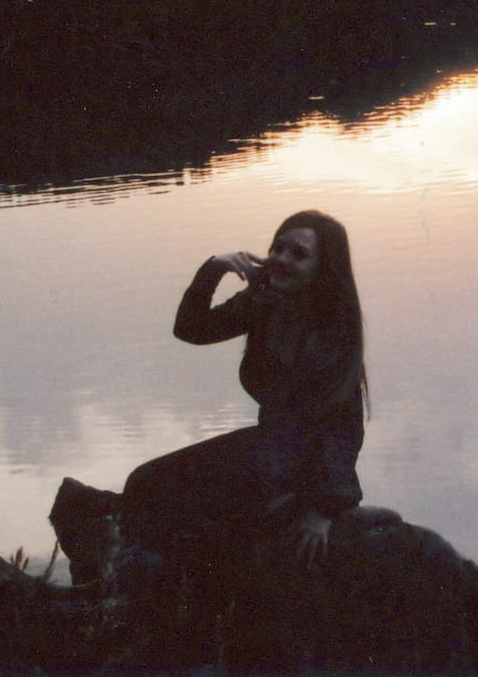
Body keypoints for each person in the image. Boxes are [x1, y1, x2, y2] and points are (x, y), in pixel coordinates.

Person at [119, 210, 368, 575]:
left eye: (298, 254)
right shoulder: (264, 303)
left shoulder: (334, 331)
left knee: (150, 485)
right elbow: (191, 329)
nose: (281, 259)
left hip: (299, 461)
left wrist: (323, 510)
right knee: (145, 484)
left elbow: (344, 427)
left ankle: (140, 592)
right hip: (268, 449)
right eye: (278, 248)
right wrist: (214, 269)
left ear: (323, 268)